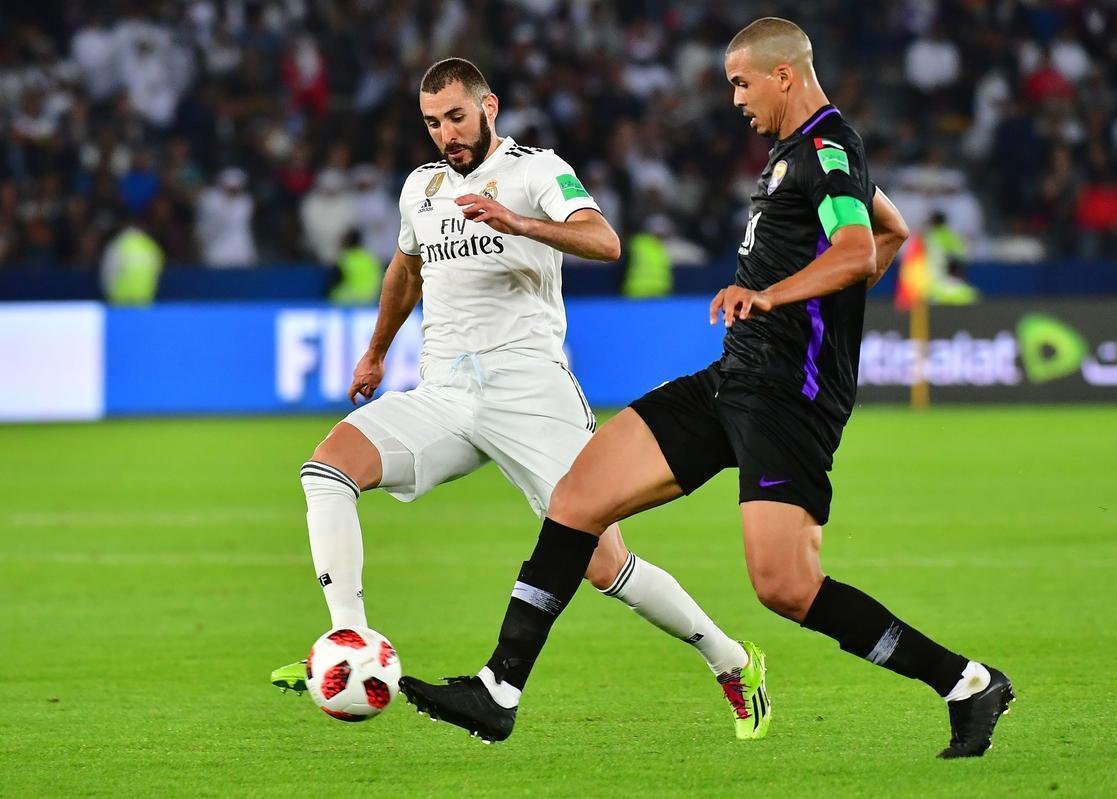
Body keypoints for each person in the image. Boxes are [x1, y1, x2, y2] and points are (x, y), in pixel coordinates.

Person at [399, 18, 1014, 758]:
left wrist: (779, 297)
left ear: (783, 75)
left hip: (791, 394)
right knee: (577, 497)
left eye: (741, 82)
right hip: (733, 378)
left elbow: (854, 248)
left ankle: (967, 682)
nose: (735, 100)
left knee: (786, 586)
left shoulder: (823, 146)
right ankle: (499, 689)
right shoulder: (804, 154)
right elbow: (888, 230)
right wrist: (825, 290)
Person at [270, 58, 770, 741]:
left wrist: (519, 222)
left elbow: (604, 239)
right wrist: (377, 350)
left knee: (604, 563)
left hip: (531, 388)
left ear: (489, 107)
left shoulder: (536, 170)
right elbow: (405, 268)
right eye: (431, 122)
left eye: (456, 116)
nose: (446, 133)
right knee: (326, 470)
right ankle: (349, 637)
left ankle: (732, 660)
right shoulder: (422, 187)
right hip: (446, 391)